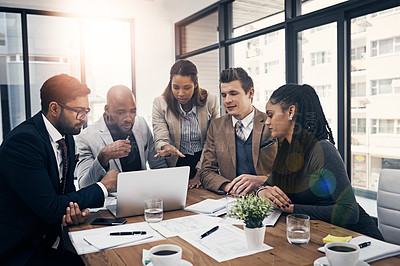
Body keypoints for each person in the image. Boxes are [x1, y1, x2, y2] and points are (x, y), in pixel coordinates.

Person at [0, 74, 118, 265]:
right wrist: (103, 187)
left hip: (49, 242)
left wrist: (74, 211)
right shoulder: (23, 142)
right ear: (54, 108)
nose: (85, 118)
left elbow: (66, 194)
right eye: (79, 111)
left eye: (86, 111)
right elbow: (51, 207)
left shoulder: (66, 137)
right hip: (21, 251)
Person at [257, 83, 383, 240]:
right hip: (321, 235)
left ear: (291, 112)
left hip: (358, 240)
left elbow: (349, 212)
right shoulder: (287, 149)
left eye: (270, 115)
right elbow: (268, 186)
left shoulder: (322, 149)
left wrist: (292, 208)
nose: (267, 122)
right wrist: (261, 192)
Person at [200, 67, 277, 195]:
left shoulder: (272, 123)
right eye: (224, 95)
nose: (227, 100)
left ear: (250, 93)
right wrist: (229, 187)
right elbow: (206, 172)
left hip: (269, 199)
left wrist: (263, 180)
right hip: (233, 201)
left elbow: (290, 173)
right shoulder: (216, 126)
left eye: (233, 93)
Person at [76, 85, 167, 188]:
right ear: (107, 109)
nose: (128, 118)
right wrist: (103, 157)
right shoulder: (86, 137)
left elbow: (158, 166)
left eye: (132, 111)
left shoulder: (141, 124)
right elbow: (84, 185)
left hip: (142, 196)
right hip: (111, 201)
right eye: (121, 112)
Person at [152, 59, 219, 189]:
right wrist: (165, 146)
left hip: (204, 160)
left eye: (187, 87)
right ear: (170, 83)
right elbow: (160, 134)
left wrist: (199, 174)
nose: (181, 93)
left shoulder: (211, 101)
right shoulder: (160, 103)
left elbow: (211, 142)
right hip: (176, 161)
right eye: (175, 87)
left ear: (195, 84)